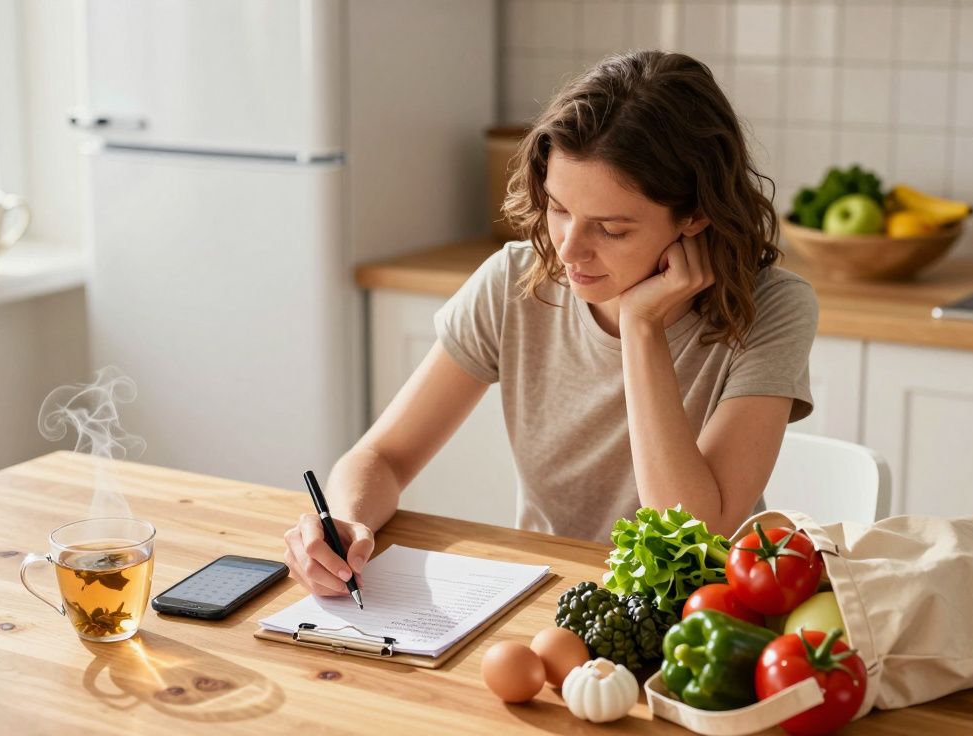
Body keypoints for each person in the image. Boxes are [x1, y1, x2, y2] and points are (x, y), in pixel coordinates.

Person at [283, 50, 818, 598]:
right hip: (547, 596)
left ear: (694, 215)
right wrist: (348, 523)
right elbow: (383, 457)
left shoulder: (772, 308)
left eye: (610, 229)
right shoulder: (515, 282)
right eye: (560, 208)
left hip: (699, 615)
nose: (568, 250)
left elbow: (699, 537)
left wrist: (641, 329)